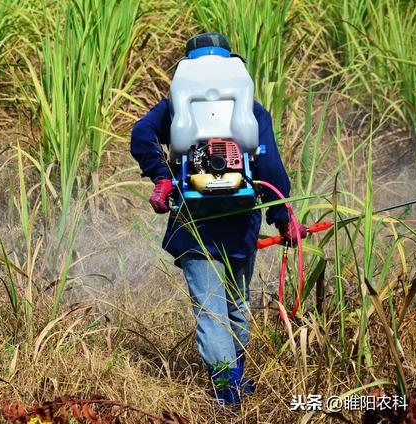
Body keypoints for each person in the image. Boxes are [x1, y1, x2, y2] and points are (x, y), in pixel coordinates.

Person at [130, 33, 306, 405]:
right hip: (240, 224)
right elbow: (271, 166)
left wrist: (162, 176)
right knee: (237, 304)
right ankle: (237, 379)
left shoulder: (176, 107)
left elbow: (141, 133)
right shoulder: (251, 109)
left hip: (193, 223)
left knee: (211, 311)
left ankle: (229, 390)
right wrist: (283, 218)